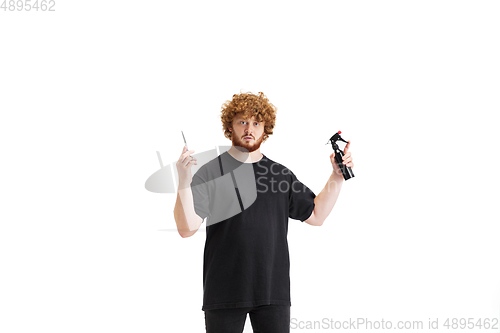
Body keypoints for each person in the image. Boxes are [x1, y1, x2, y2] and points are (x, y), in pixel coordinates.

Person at [173, 92, 354, 333]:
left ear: (265, 128)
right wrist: (184, 180)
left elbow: (317, 215)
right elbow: (186, 229)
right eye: (243, 121)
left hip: (272, 291)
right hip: (224, 291)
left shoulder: (280, 174)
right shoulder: (210, 172)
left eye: (256, 122)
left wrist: (337, 176)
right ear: (230, 126)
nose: (250, 128)